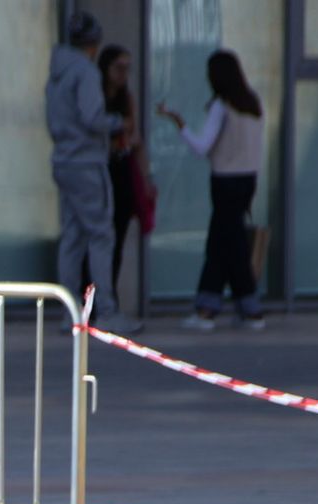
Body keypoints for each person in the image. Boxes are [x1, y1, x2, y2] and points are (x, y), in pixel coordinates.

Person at [46, 11, 142, 336]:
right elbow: (92, 117)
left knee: (72, 238)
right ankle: (107, 312)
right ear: (95, 43)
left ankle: (70, 313)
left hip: (64, 160)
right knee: (101, 235)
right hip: (86, 162)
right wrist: (119, 123)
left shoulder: (57, 71)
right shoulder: (85, 71)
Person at [156, 50, 266, 331]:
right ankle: (245, 307)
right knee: (230, 243)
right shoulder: (253, 104)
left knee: (223, 246)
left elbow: (202, 147)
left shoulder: (221, 107)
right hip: (247, 181)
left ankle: (212, 309)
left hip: (225, 181)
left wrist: (179, 124)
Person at [98, 44, 156, 294]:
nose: (123, 74)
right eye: (118, 68)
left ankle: (110, 295)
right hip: (100, 170)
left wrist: (146, 178)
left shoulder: (126, 98)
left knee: (118, 237)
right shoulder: (95, 99)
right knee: (98, 236)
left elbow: (136, 141)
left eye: (127, 69)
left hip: (122, 170)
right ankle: (91, 299)